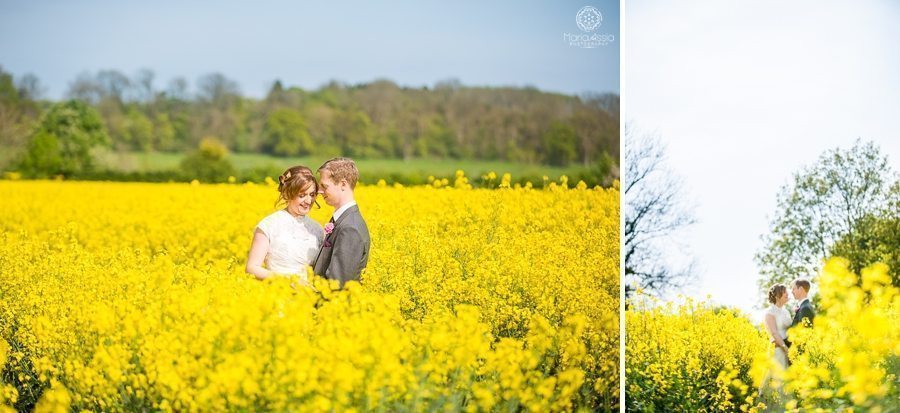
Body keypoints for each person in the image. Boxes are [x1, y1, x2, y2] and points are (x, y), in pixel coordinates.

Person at [246, 166, 324, 283]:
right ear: (287, 194)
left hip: (309, 296)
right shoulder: (268, 225)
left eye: (312, 194)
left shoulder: (317, 229)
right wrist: (288, 281)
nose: (308, 201)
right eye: (302, 195)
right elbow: (252, 268)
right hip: (278, 295)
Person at [312, 157, 370, 287]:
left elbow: (338, 284)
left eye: (324, 186)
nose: (319, 191)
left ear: (343, 184)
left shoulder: (350, 228)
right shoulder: (344, 220)